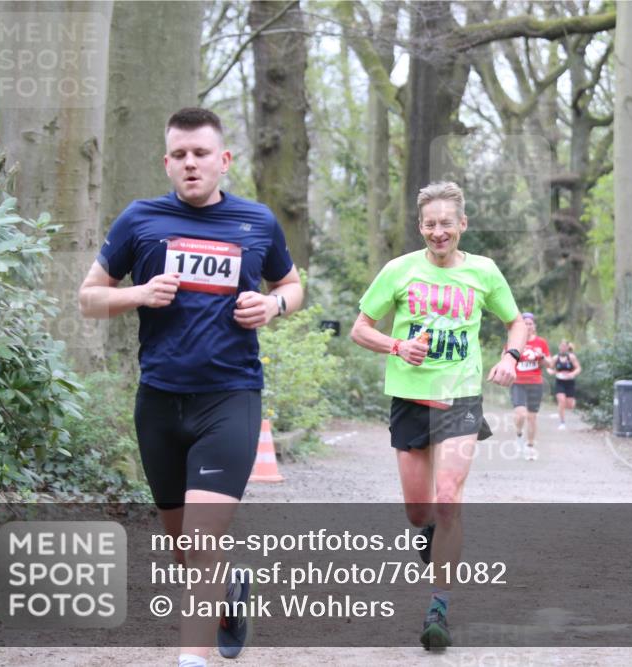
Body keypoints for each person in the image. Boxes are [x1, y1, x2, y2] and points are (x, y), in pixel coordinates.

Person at [78, 108, 303, 667]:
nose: (190, 163)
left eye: (201, 153)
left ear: (223, 160)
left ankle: (190, 661)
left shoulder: (256, 222)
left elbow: (292, 285)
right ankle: (229, 593)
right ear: (167, 163)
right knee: (186, 547)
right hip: (158, 401)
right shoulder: (140, 220)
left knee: (202, 542)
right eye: (179, 155)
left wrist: (272, 305)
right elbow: (88, 297)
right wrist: (139, 294)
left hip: (230, 398)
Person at [350, 181, 527, 650]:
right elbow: (360, 328)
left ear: (462, 224)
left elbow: (515, 321)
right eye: (430, 224)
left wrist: (511, 357)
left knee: (448, 498)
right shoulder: (399, 270)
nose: (438, 232)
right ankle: (430, 534)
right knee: (418, 511)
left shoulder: (484, 272)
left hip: (461, 397)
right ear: (420, 226)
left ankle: (439, 609)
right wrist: (396, 345)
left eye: (447, 223)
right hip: (410, 399)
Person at [509, 313, 550, 460]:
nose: (528, 326)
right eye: (525, 323)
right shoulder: (514, 341)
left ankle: (530, 446)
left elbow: (549, 363)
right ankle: (519, 434)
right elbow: (504, 358)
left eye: (530, 323)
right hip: (518, 383)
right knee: (521, 414)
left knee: (532, 417)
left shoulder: (541, 342)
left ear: (534, 326)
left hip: (535, 383)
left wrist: (542, 356)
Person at [546, 340, 582, 429]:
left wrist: (572, 374)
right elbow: (549, 367)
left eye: (564, 346)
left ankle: (560, 411)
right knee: (561, 400)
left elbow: (578, 368)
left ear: (567, 348)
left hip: (570, 382)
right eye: (561, 346)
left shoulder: (572, 357)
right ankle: (562, 423)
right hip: (560, 382)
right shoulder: (555, 358)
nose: (562, 348)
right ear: (559, 347)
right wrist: (551, 372)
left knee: (570, 405)